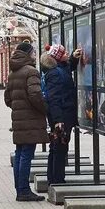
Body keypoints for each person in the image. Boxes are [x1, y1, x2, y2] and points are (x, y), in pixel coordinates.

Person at [5, 42, 48, 201]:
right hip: (31, 120)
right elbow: (35, 95)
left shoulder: (13, 72)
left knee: (20, 153)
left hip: (18, 120)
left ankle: (20, 189)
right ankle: (23, 190)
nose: (35, 55)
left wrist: (17, 107)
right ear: (28, 53)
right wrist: (45, 109)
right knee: (26, 155)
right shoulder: (31, 71)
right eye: (34, 52)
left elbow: (7, 98)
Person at [41, 44, 79, 187]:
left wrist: (73, 59)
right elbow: (54, 98)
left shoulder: (58, 69)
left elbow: (68, 68)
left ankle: (54, 178)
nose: (67, 53)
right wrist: (58, 121)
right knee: (59, 147)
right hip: (62, 115)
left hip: (63, 114)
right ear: (57, 57)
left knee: (57, 146)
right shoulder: (55, 73)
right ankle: (57, 180)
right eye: (64, 53)